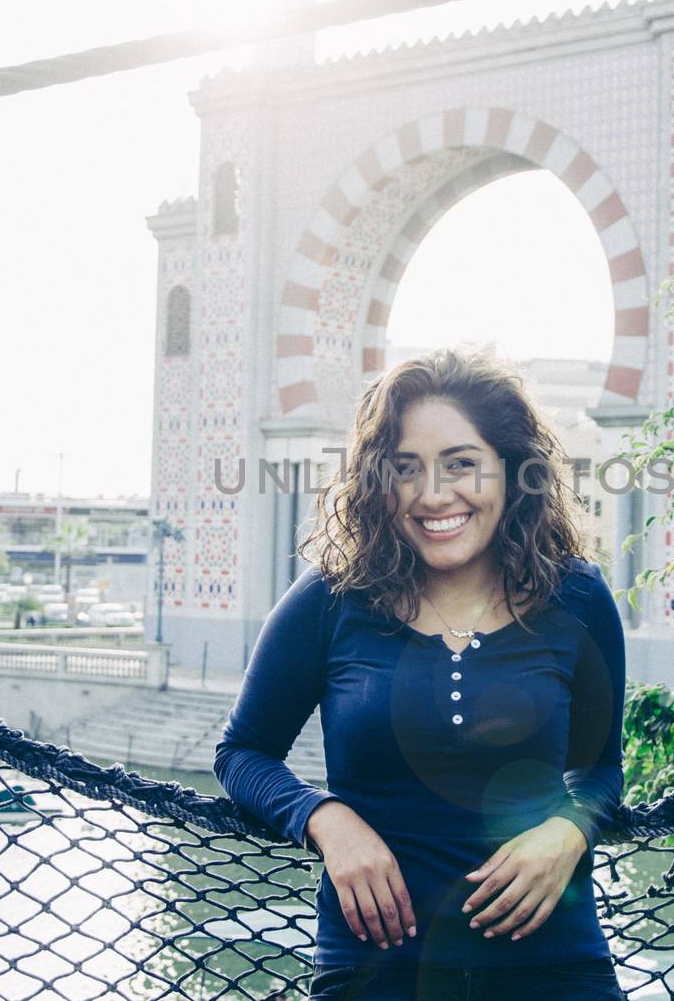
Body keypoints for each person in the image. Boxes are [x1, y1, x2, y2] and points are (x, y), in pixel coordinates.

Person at [215, 347, 627, 999]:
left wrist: (568, 829)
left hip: (551, 965)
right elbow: (242, 752)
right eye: (407, 469)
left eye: (462, 464)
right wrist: (324, 818)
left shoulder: (575, 597)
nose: (433, 495)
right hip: (375, 973)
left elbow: (602, 769)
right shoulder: (332, 600)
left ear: (511, 470)